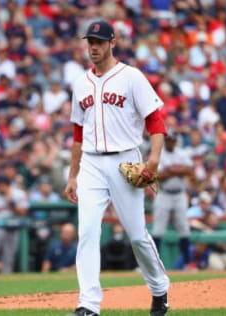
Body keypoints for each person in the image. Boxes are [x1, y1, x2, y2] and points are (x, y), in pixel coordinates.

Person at [64, 20, 170, 316]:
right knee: (87, 231)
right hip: (91, 163)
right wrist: (73, 175)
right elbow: (76, 133)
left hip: (126, 159)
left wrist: (153, 162)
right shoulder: (81, 83)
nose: (93, 47)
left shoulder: (131, 77)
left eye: (99, 41)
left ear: (112, 43)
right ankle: (88, 304)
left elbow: (156, 121)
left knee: (137, 235)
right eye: (90, 42)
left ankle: (159, 288)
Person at [151, 130, 194, 270]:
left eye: (173, 139)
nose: (171, 142)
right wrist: (177, 171)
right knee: (158, 230)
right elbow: (157, 175)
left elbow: (189, 170)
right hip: (163, 193)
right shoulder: (160, 154)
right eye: (169, 139)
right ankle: (154, 265)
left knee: (184, 229)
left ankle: (188, 264)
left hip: (179, 194)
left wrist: (171, 171)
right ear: (165, 140)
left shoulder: (181, 153)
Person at [0, 175, 28, 275]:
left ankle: (6, 277)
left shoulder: (19, 194)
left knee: (8, 256)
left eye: (1, 185)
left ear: (7, 185)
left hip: (12, 228)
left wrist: (11, 203)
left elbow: (24, 212)